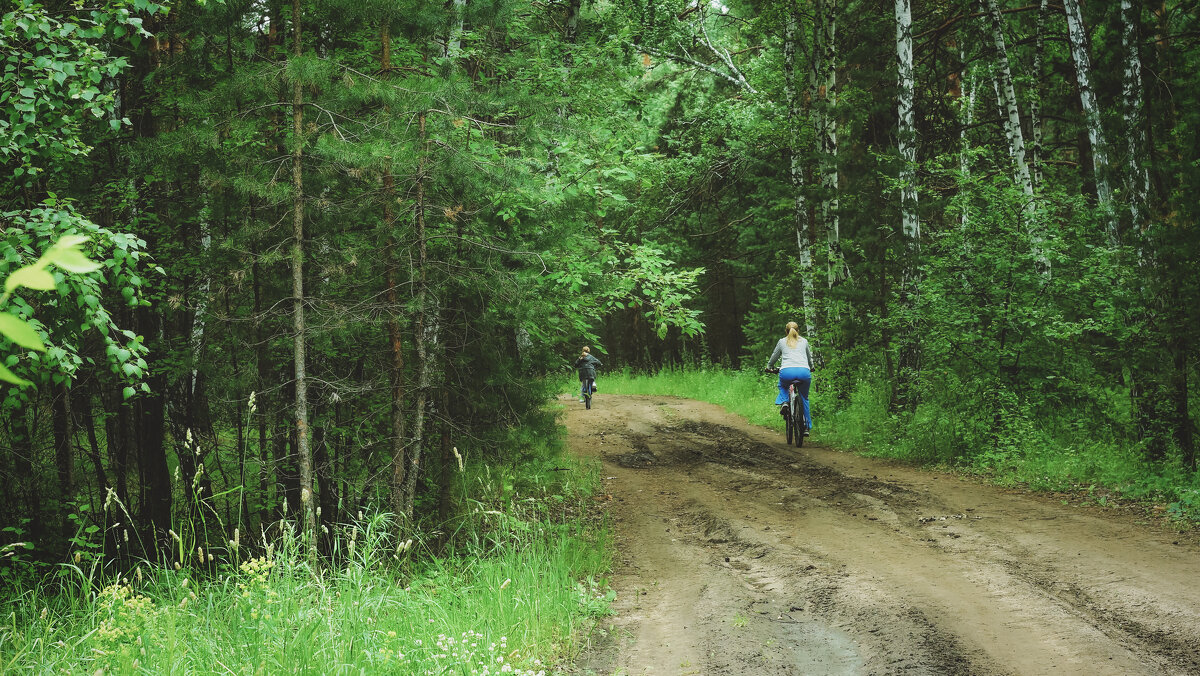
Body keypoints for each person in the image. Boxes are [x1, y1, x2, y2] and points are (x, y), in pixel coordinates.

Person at [765, 321, 813, 432]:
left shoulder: (782, 342)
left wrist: (769, 366)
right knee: (804, 398)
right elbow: (809, 358)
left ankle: (785, 402)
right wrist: (812, 367)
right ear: (798, 331)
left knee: (782, 386)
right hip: (804, 372)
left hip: (787, 372)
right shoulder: (804, 341)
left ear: (786, 331)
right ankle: (806, 426)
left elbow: (774, 356)